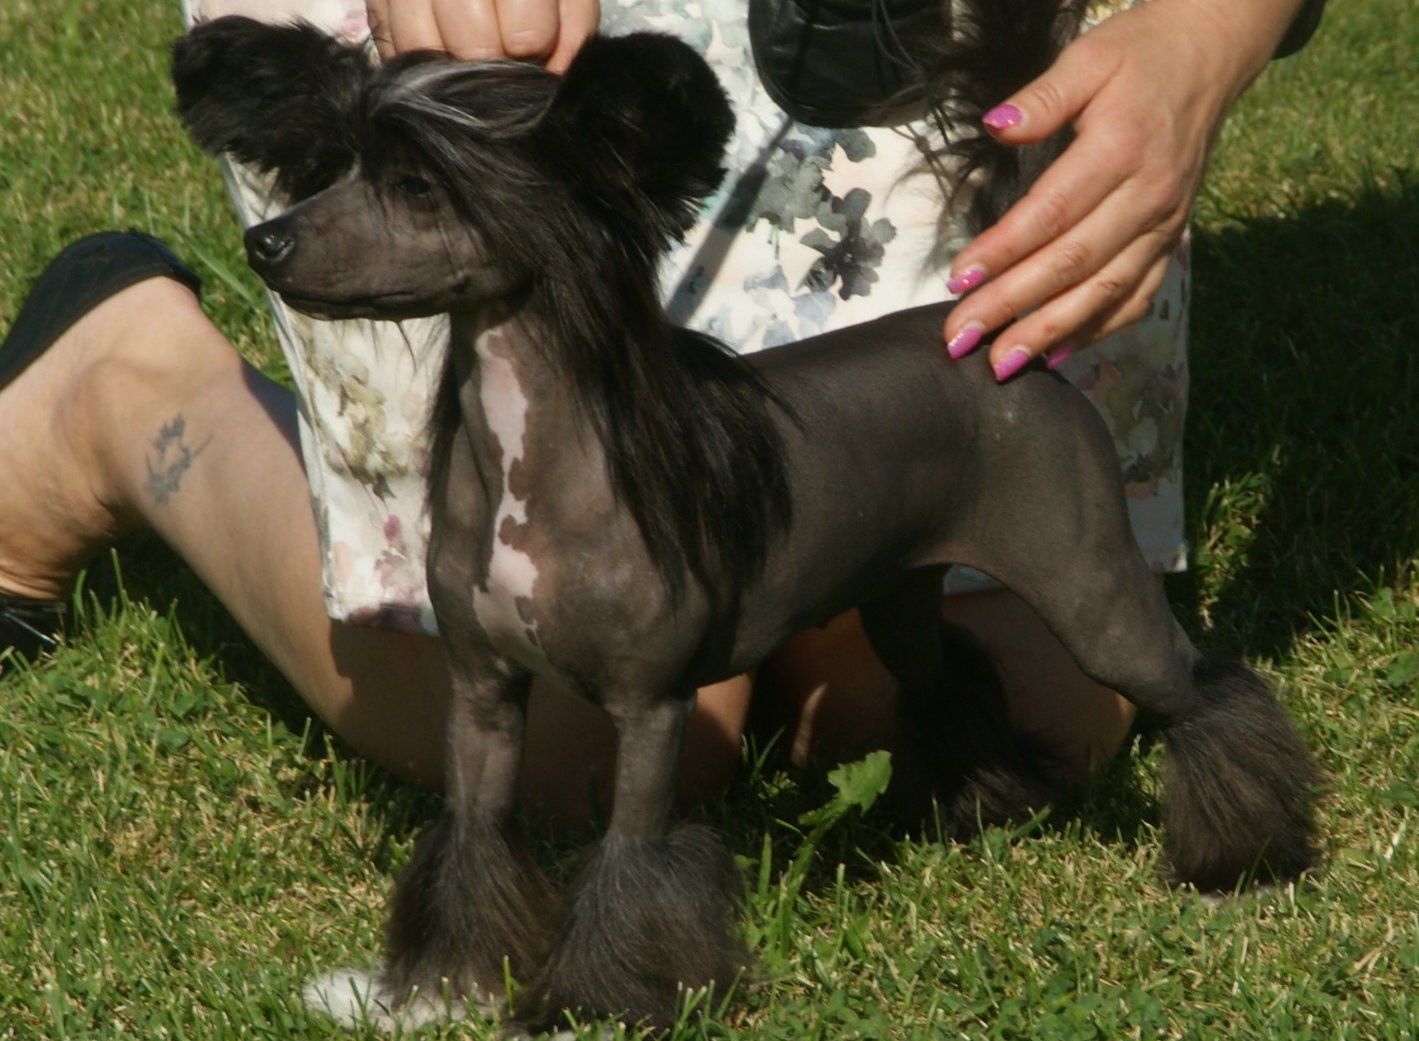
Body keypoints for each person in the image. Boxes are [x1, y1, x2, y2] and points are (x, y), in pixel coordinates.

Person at [0, 0, 1323, 828]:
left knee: (1029, 699)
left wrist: (1212, 29)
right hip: (494, 53)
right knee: (578, 730)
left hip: (905, 23)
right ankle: (128, 384)